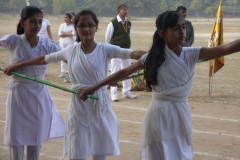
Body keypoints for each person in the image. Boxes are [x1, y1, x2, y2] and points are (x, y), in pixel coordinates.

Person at [77, 10, 240, 160]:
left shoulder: (191, 54)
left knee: (181, 154)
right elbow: (123, 72)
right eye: (176, 28)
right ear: (163, 33)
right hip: (159, 116)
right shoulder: (152, 58)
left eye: (183, 27)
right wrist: (94, 87)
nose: (182, 32)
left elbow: (225, 48)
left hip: (181, 114)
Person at [4, 9, 146, 160]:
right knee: (77, 150)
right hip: (78, 108)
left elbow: (133, 54)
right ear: (75, 28)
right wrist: (17, 65)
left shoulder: (106, 49)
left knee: (100, 150)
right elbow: (43, 59)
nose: (86, 29)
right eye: (82, 25)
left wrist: (154, 55)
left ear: (96, 27)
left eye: (90, 25)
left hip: (100, 107)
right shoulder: (70, 51)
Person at [0, 6, 65, 160]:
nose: (37, 26)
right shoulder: (13, 40)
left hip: (38, 95)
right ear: (22, 23)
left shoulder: (47, 44)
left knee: (35, 138)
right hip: (18, 95)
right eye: (32, 22)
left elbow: (68, 56)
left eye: (40, 22)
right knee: (15, 138)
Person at [105, 3, 137, 101]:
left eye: (127, 9)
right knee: (115, 71)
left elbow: (128, 35)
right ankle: (114, 94)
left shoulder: (129, 23)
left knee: (127, 70)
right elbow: (107, 38)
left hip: (126, 50)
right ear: (119, 11)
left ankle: (126, 91)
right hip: (115, 50)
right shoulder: (113, 22)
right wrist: (110, 50)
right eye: (123, 9)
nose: (125, 11)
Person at [57, 12, 76, 83]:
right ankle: (63, 72)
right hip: (62, 43)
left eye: (66, 17)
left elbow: (73, 33)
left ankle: (71, 75)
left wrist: (64, 33)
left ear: (70, 18)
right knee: (62, 57)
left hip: (70, 43)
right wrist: (68, 33)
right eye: (64, 17)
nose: (65, 19)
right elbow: (59, 34)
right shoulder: (62, 25)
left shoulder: (73, 25)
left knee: (69, 59)